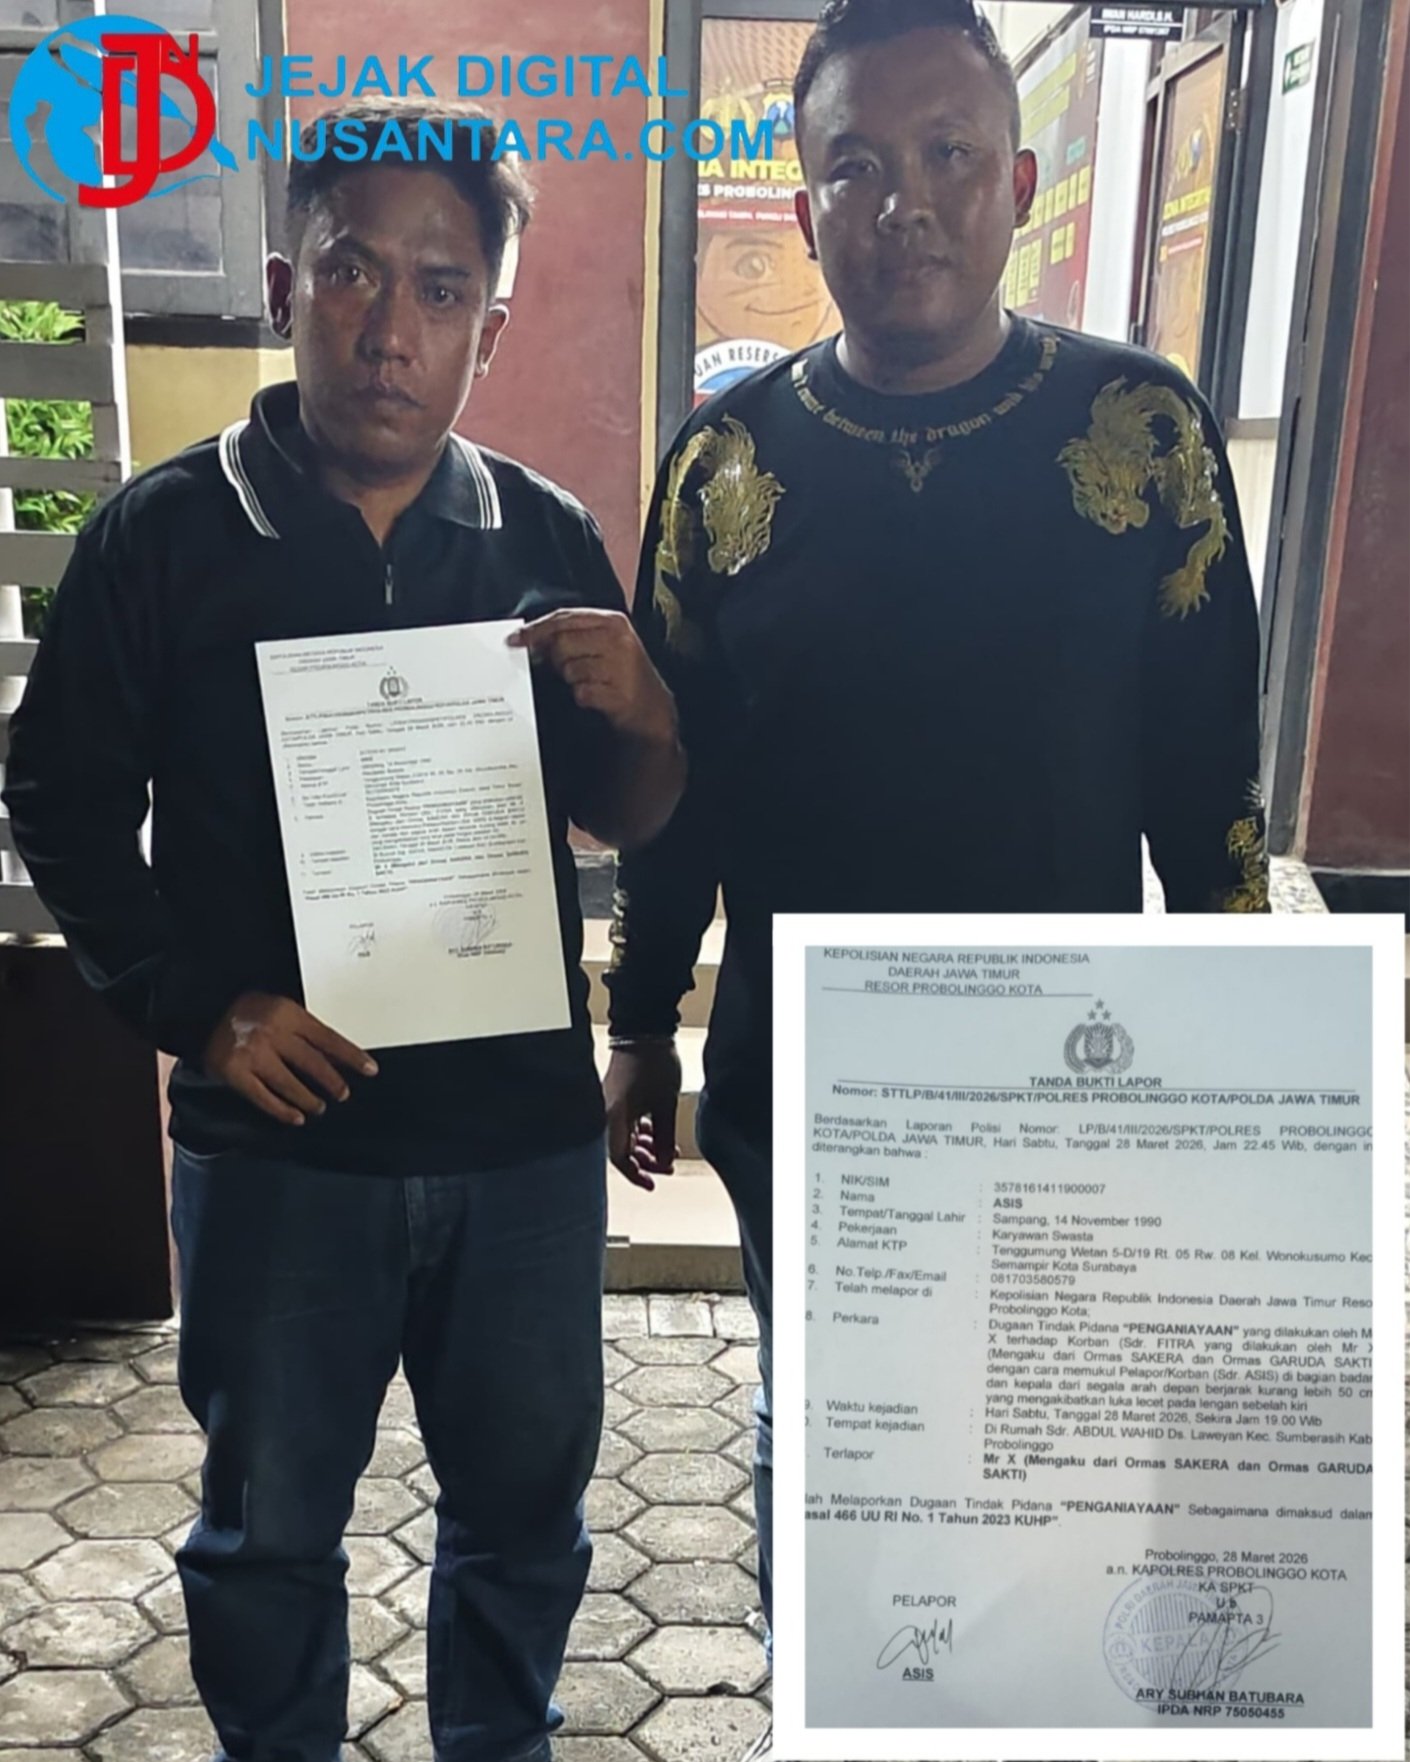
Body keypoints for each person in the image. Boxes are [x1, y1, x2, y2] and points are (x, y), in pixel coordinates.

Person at [602, 2, 1268, 1755]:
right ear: (801, 202)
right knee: (833, 1443)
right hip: (810, 1092)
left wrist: (1237, 1073)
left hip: (1065, 1093)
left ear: (1021, 184)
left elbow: (1207, 781)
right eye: (855, 165)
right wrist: (641, 1021)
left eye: (947, 155)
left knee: (1045, 1467)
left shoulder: (1139, 431)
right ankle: (834, 1710)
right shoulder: (726, 464)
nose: (903, 202)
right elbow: (679, 780)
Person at [3, 98, 684, 1762]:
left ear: (490, 331)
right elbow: (59, 798)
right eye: (352, 273)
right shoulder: (163, 535)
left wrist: (651, 715)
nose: (391, 331)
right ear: (280, 284)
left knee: (525, 1522)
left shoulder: (541, 536)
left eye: (442, 291)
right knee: (267, 1538)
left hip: (516, 1147)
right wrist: (201, 1010)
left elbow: (631, 812)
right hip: (279, 1151)